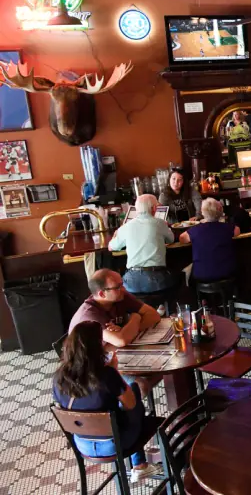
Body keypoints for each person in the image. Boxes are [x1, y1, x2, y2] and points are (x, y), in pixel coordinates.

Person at [52, 322, 160, 483]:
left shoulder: (58, 377)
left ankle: (139, 464)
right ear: (96, 347)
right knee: (134, 391)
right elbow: (130, 405)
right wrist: (115, 371)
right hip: (114, 443)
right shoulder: (106, 375)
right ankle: (139, 464)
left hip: (82, 444)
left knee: (111, 410)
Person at [68, 269, 161, 348]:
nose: (124, 289)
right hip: (87, 362)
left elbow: (154, 315)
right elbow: (121, 340)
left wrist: (126, 330)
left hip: (109, 351)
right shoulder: (89, 314)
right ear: (102, 294)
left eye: (122, 284)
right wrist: (135, 317)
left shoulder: (121, 296)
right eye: (118, 287)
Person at [109, 195, 176, 294]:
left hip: (133, 282)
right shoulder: (160, 223)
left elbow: (111, 247)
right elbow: (171, 239)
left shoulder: (126, 227)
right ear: (154, 208)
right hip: (158, 280)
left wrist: (116, 235)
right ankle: (161, 307)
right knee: (176, 279)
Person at [179, 198, 239, 283]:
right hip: (227, 271)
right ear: (221, 212)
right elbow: (237, 231)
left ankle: (199, 296)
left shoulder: (195, 230)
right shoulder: (227, 227)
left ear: (202, 213)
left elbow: (182, 238)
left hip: (202, 274)